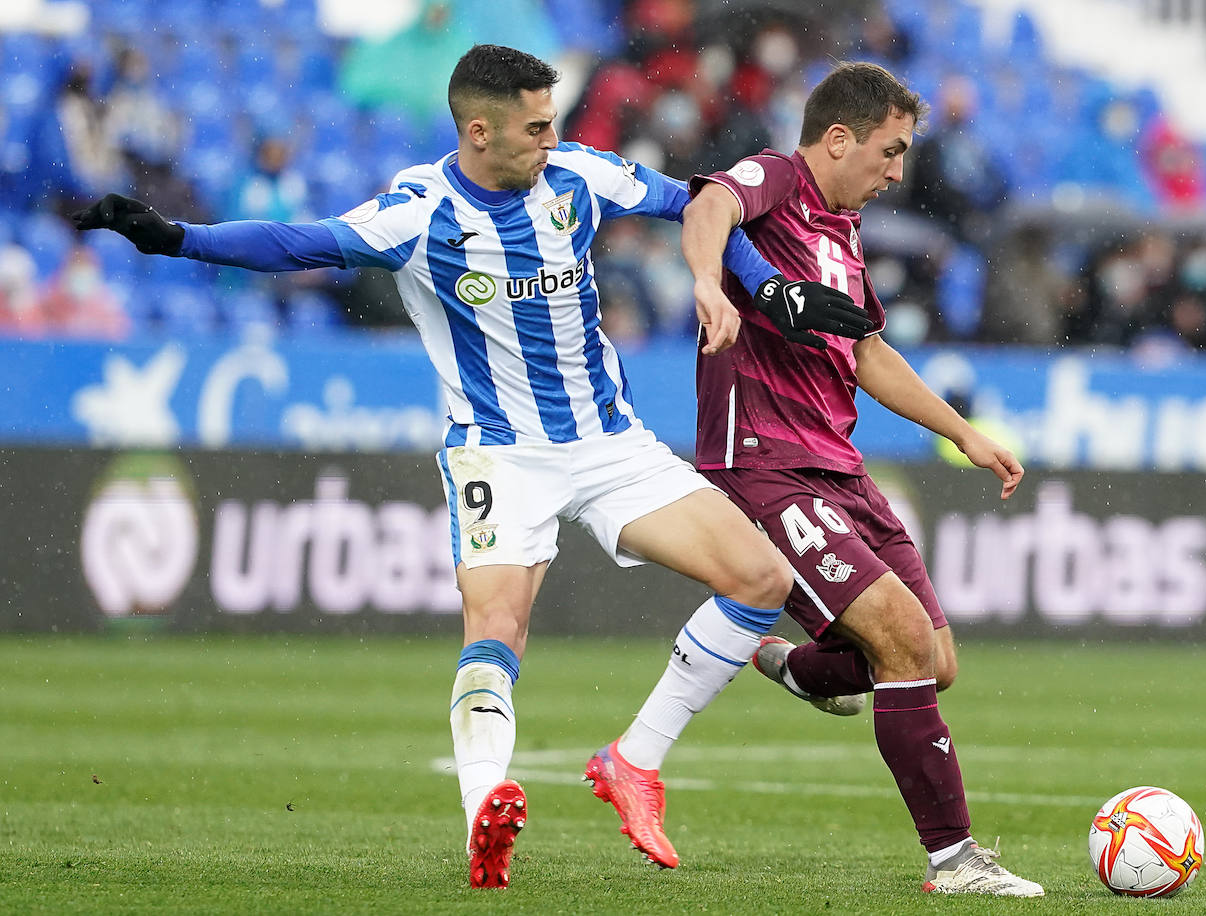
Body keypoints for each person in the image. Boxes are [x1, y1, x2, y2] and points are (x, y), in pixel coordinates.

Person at [73, 44, 869, 891]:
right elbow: (295, 241)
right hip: (500, 453)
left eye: (553, 121)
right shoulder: (419, 215)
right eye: (536, 126)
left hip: (609, 444)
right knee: (497, 626)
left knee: (759, 577)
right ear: (480, 131)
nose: (551, 138)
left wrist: (765, 286)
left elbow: (702, 202)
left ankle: (633, 763)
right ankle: (486, 811)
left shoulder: (578, 176)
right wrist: (175, 238)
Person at [679, 61, 1044, 896]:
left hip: (840, 466)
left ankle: (799, 669)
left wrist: (965, 435)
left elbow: (869, 351)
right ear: (837, 138)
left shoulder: (841, 235)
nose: (898, 172)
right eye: (891, 151)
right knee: (902, 640)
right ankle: (955, 861)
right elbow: (706, 208)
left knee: (936, 661)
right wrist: (708, 282)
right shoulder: (774, 180)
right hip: (766, 464)